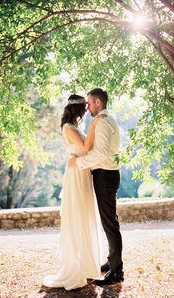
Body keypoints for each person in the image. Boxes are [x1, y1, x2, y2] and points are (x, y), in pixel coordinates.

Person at [43, 94, 104, 290]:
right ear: (77, 109)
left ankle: (86, 265)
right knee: (78, 217)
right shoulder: (68, 128)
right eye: (84, 107)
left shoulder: (76, 128)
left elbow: (85, 150)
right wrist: (95, 125)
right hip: (76, 175)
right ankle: (75, 267)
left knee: (85, 217)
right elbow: (87, 147)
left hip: (83, 173)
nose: (87, 110)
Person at [68, 88, 124, 286]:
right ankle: (112, 262)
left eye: (90, 103)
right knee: (109, 221)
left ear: (98, 102)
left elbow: (99, 154)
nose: (88, 107)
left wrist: (79, 163)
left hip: (105, 175)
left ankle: (117, 272)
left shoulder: (101, 122)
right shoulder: (107, 119)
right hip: (107, 174)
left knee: (110, 223)